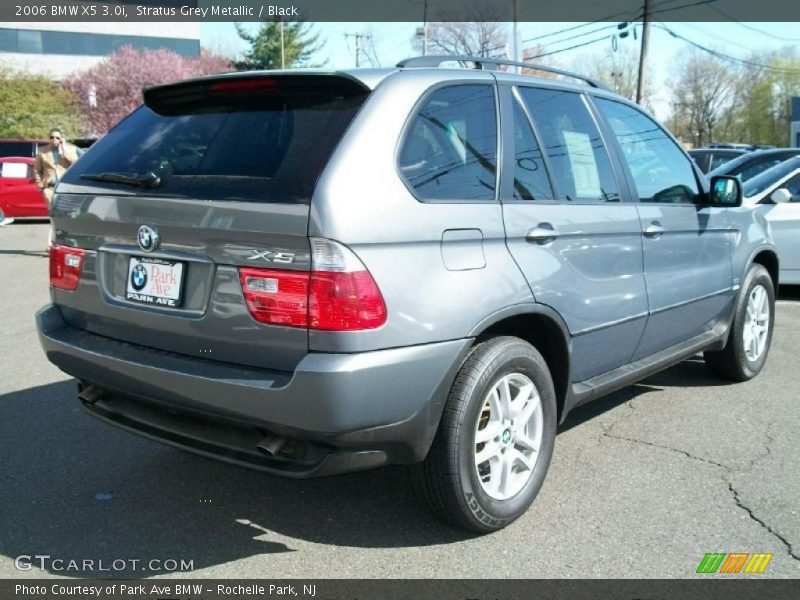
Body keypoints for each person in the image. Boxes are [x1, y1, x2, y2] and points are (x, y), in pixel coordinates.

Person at [34, 128, 84, 207]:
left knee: (66, 212)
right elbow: (37, 170)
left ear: (61, 139)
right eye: (52, 137)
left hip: (65, 187)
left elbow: (77, 163)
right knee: (53, 214)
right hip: (49, 188)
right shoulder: (42, 151)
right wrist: (41, 187)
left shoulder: (71, 149)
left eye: (57, 138)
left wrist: (64, 148)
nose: (54, 139)